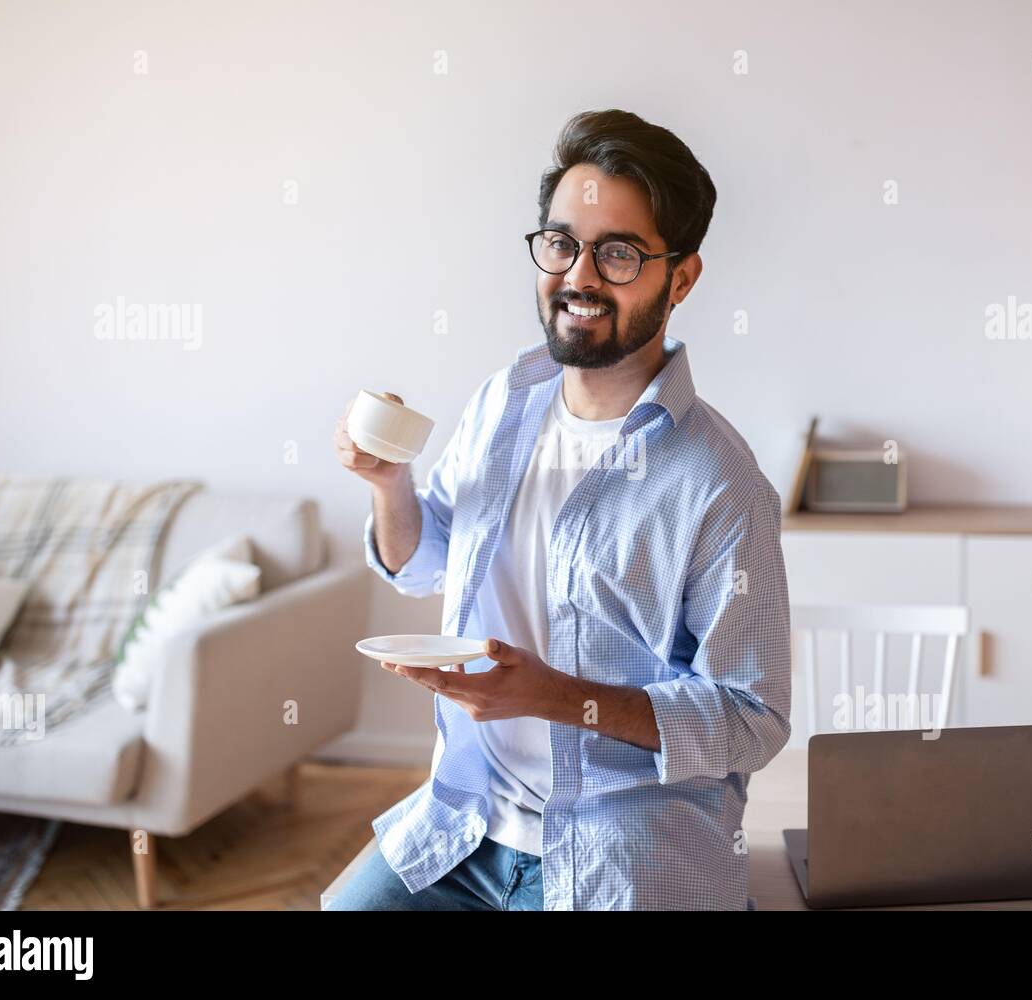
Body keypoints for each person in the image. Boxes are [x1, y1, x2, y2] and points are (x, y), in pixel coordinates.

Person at [327, 108, 790, 911]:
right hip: (469, 825)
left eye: (618, 253)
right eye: (562, 243)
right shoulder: (505, 401)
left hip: (627, 850)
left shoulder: (721, 484)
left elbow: (751, 720)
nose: (578, 276)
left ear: (680, 278)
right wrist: (387, 484)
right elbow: (425, 561)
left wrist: (554, 696)